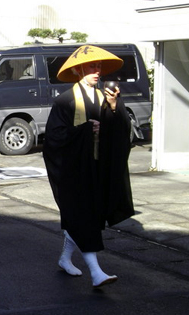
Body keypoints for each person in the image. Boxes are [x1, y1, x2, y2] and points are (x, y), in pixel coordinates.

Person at [43, 45, 135, 288]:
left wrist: (115, 108)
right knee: (83, 218)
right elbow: (54, 137)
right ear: (79, 70)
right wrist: (83, 131)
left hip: (98, 166)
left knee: (87, 218)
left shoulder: (105, 97)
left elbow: (121, 130)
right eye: (92, 67)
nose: (97, 72)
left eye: (99, 67)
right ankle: (96, 272)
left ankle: (65, 258)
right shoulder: (65, 101)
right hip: (74, 169)